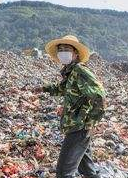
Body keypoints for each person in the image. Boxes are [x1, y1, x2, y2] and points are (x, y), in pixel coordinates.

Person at [34, 35, 106, 178]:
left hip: (79, 127)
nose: (63, 52)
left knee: (63, 173)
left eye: (67, 49)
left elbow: (99, 95)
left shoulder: (80, 71)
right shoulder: (71, 72)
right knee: (87, 169)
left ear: (75, 53)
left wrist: (91, 121)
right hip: (76, 125)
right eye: (60, 49)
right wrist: (43, 89)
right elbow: (62, 88)